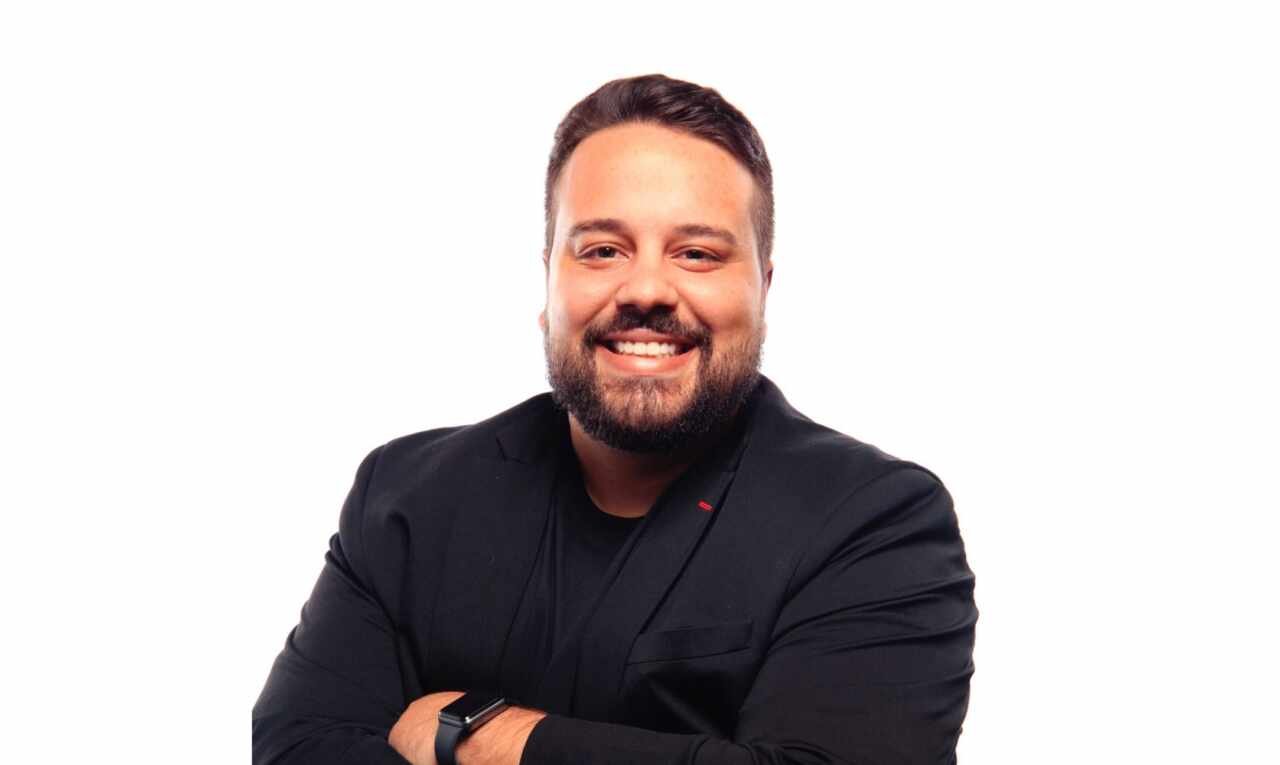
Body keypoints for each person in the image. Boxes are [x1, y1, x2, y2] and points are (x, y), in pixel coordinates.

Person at [252, 73, 977, 765]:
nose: (647, 288)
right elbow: (295, 746)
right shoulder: (406, 497)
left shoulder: (877, 523)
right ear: (549, 280)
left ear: (762, 288)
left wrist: (481, 736)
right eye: (602, 250)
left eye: (697, 253)